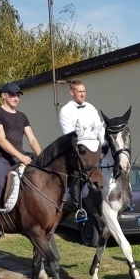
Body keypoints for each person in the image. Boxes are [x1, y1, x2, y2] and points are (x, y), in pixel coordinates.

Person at [0, 82, 42, 237]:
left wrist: (41, 156)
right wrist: (21, 156)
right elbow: (1, 140)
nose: (16, 98)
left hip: (21, 157)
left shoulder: (22, 117)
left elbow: (32, 139)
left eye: (18, 95)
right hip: (1, 158)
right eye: (12, 94)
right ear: (4, 95)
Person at [58, 80, 104, 212]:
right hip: (77, 149)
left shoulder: (91, 108)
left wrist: (103, 147)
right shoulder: (66, 111)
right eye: (79, 92)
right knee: (76, 177)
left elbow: (100, 129)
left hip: (94, 148)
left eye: (84, 91)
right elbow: (70, 135)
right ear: (72, 92)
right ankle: (78, 207)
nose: (83, 94)